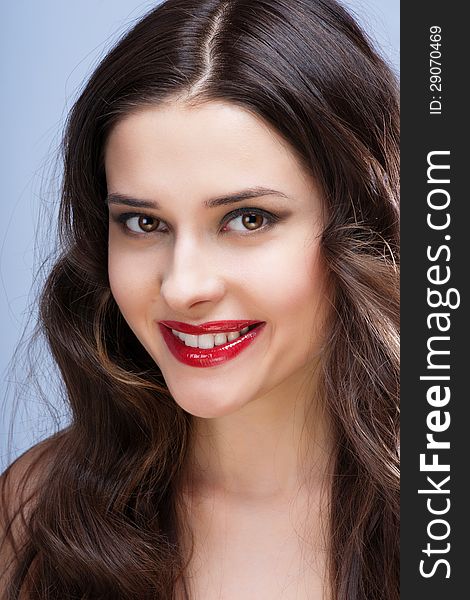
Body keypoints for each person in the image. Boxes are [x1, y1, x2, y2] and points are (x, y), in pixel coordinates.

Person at [0, 0, 399, 598]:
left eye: (248, 218)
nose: (183, 286)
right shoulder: (37, 510)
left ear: (360, 227)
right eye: (143, 224)